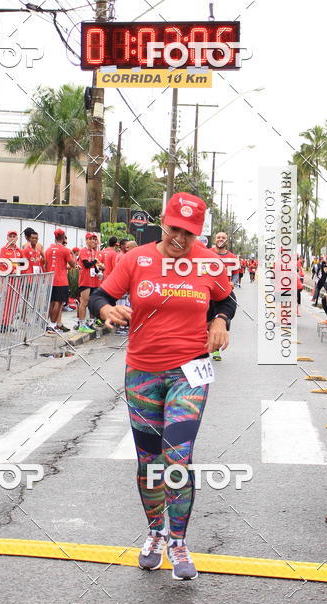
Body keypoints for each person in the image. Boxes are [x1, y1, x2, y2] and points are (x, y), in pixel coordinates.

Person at [89, 192, 236, 581]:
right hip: (142, 373)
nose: (180, 240)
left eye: (189, 233)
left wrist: (219, 322)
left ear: (198, 233)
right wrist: (106, 309)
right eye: (174, 230)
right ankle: (155, 532)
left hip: (189, 372)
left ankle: (179, 540)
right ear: (162, 222)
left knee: (178, 457)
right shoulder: (135, 259)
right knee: (149, 462)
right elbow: (99, 295)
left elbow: (226, 299)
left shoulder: (208, 261)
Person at [209, 231, 238, 361]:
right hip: (208, 292)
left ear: (227, 241)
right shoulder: (207, 253)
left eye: (223, 238)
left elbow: (236, 274)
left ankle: (216, 350)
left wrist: (233, 282)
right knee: (208, 322)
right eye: (219, 237)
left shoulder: (232, 257)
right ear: (215, 239)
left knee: (221, 321)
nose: (221, 239)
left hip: (225, 295)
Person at [44, 228, 76, 333]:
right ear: (62, 238)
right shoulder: (65, 250)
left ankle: (50, 324)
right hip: (61, 280)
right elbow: (73, 264)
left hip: (50, 279)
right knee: (58, 302)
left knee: (52, 302)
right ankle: (53, 325)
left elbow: (46, 264)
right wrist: (73, 254)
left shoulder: (48, 250)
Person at [76, 232, 103, 333]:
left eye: (94, 239)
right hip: (85, 280)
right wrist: (95, 262)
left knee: (90, 302)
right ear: (87, 240)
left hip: (92, 280)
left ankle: (90, 322)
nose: (94, 241)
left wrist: (98, 271)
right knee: (84, 302)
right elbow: (87, 265)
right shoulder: (83, 251)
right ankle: (81, 324)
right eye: (91, 239)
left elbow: (93, 267)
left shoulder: (92, 251)